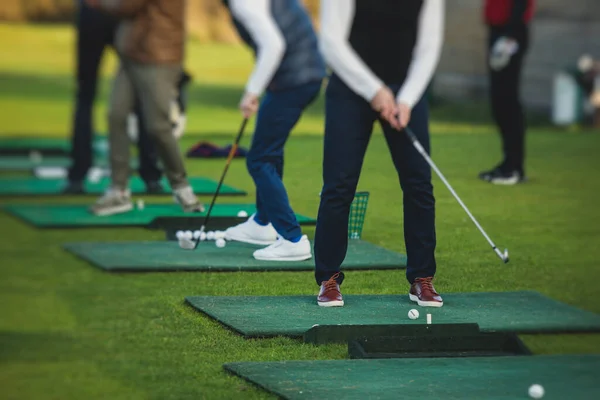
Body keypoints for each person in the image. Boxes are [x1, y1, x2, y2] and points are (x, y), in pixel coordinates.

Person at [314, 0, 445, 307]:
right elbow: (331, 41)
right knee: (339, 183)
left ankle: (422, 278)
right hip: (349, 87)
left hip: (406, 87)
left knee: (418, 183)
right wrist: (374, 90)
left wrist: (408, 98)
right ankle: (328, 278)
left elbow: (429, 44)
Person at [222, 0, 326, 261]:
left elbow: (273, 45)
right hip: (304, 75)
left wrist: (252, 91)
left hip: (295, 80)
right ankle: (262, 223)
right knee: (269, 151)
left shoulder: (242, 3)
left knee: (259, 159)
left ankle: (292, 238)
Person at [85, 0, 203, 216]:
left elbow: (126, 6)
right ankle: (118, 191)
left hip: (159, 56)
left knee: (157, 126)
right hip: (132, 53)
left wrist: (99, 3)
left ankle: (182, 187)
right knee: (116, 116)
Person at [65, 0, 191, 195]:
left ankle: (77, 176)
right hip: (125, 14)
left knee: (86, 94)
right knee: (139, 92)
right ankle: (151, 176)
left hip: (105, 13)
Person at [479, 0, 535, 185]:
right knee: (499, 101)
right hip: (498, 30)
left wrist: (510, 35)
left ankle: (514, 167)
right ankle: (508, 163)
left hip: (510, 33)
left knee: (507, 100)